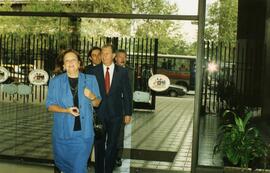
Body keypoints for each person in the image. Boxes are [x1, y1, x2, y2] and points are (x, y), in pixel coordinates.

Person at [46, 49, 101, 173]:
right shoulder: (56, 82)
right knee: (66, 168)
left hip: (84, 135)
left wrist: (92, 96)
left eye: (73, 60)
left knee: (78, 168)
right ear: (64, 66)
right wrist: (66, 110)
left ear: (79, 63)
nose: (70, 62)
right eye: (67, 60)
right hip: (63, 134)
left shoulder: (91, 79)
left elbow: (97, 103)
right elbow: (49, 106)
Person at [86, 44, 132, 173]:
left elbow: (127, 93)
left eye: (107, 53)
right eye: (102, 53)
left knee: (112, 145)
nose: (103, 56)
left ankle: (108, 170)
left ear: (113, 56)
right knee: (99, 145)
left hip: (116, 115)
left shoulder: (122, 72)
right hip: (98, 114)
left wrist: (128, 113)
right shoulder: (92, 72)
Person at [114, 49, 134, 167]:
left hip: (122, 107)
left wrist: (129, 112)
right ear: (115, 58)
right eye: (119, 56)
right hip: (109, 106)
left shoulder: (129, 71)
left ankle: (118, 156)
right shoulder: (109, 69)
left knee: (120, 134)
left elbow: (130, 93)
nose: (122, 58)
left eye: (124, 56)